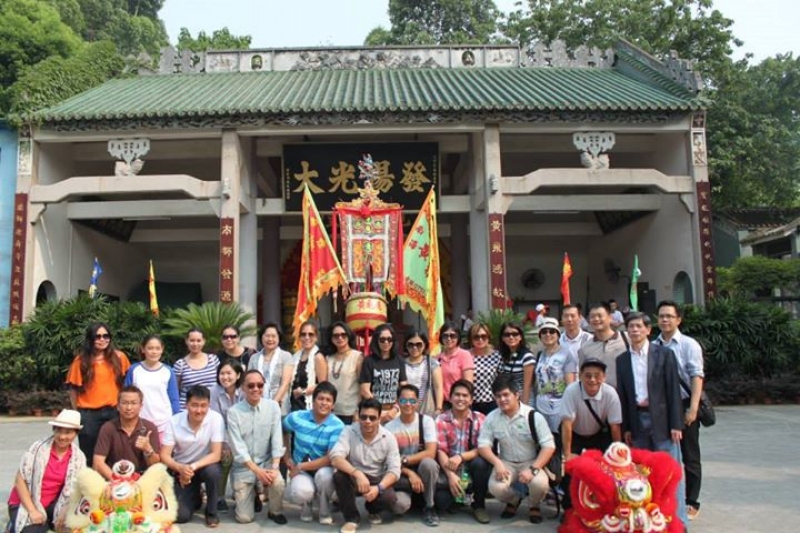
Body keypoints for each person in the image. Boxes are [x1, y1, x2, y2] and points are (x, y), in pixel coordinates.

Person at [616, 312, 688, 530]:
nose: (634, 330)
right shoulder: (622, 360)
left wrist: (677, 424)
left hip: (663, 422)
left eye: (639, 326)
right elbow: (624, 395)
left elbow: (673, 391)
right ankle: (648, 522)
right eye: (631, 327)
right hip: (637, 421)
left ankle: (679, 522)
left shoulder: (664, 354)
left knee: (671, 473)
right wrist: (626, 427)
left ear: (648, 330)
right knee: (641, 475)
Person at [478, 377, 555, 524]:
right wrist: (497, 463)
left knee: (539, 484)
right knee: (495, 487)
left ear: (516, 394)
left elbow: (549, 446)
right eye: (498, 396)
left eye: (506, 395)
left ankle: (534, 505)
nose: (502, 399)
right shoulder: (492, 418)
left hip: (532, 461)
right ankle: (514, 500)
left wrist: (533, 469)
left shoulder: (533, 416)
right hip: (506, 462)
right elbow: (483, 445)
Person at [655, 300, 706, 521]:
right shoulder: (654, 345)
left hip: (684, 405)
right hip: (662, 407)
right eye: (661, 316)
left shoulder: (688, 344)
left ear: (678, 319)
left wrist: (693, 408)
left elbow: (696, 376)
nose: (665, 320)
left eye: (669, 316)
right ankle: (668, 498)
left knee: (690, 455)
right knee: (665, 454)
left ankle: (692, 501)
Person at [6, 410, 86, 533]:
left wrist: (65, 509)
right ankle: (13, 525)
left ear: (76, 434)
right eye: (58, 431)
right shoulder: (38, 449)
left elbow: (76, 489)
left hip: (52, 503)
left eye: (68, 432)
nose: (62, 437)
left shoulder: (78, 457)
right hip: (25, 503)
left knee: (74, 525)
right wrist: (32, 511)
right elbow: (19, 481)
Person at [330, 398, 403, 533]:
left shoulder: (389, 437)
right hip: (355, 476)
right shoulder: (349, 431)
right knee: (339, 476)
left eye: (372, 418)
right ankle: (351, 518)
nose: (367, 421)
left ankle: (373, 509)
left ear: (379, 418)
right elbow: (335, 457)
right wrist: (357, 473)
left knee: (390, 498)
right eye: (363, 417)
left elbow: (395, 470)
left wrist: (378, 488)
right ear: (359, 416)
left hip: (376, 479)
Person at [559, 358, 622, 510]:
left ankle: (605, 505)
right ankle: (569, 509)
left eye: (597, 375)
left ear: (604, 377)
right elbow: (567, 424)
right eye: (588, 375)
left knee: (606, 469)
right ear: (580, 376)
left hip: (598, 433)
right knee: (570, 470)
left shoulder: (610, 393)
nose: (592, 380)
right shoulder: (571, 391)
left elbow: (615, 426)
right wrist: (567, 455)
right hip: (574, 433)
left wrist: (618, 453)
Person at [227, 370, 287, 525]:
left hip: (266, 462)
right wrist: (257, 471)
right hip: (244, 467)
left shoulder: (273, 407)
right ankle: (253, 494)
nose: (256, 389)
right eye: (251, 385)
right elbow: (238, 449)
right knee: (244, 518)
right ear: (243, 388)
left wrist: (274, 467)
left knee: (278, 481)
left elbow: (276, 439)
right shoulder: (233, 413)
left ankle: (275, 511)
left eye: (260, 385)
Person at [160, 385, 224, 527]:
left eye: (203, 406)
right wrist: (180, 468)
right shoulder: (174, 421)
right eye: (194, 405)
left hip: (204, 465)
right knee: (180, 516)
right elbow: (164, 455)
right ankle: (196, 497)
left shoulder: (216, 419)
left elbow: (216, 454)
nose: (199, 410)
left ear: (209, 405)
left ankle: (212, 511)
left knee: (213, 472)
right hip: (181, 468)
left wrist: (191, 467)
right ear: (186, 405)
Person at [65, 322, 131, 459]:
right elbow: (73, 389)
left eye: (106, 336)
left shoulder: (119, 358)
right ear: (90, 338)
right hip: (89, 415)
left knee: (115, 454)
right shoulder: (81, 361)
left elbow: (127, 384)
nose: (102, 340)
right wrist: (77, 412)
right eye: (98, 336)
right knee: (89, 455)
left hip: (114, 412)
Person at [282, 381, 345, 524]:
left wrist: (299, 467)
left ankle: (324, 509)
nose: (324, 403)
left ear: (333, 405)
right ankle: (306, 505)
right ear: (313, 400)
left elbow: (330, 458)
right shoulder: (297, 417)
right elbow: (283, 430)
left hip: (323, 468)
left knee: (325, 477)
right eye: (320, 398)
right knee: (301, 492)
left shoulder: (337, 426)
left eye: (328, 400)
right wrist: (287, 457)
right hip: (301, 470)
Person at [434, 380, 490, 524]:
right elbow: (441, 450)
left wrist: (461, 456)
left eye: (465, 396)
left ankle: (479, 505)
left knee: (481, 462)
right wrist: (451, 476)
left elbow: (482, 448)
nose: (460, 399)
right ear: (450, 397)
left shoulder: (480, 419)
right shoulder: (441, 419)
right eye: (457, 395)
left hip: (470, 467)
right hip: (449, 467)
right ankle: (458, 498)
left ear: (471, 400)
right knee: (442, 502)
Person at [385, 384, 440, 527]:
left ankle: (429, 506)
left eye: (412, 401)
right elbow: (389, 461)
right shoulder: (389, 427)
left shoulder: (426, 421)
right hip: (402, 474)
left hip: (422, 470)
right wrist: (409, 473)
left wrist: (405, 459)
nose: (408, 404)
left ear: (418, 402)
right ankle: (416, 499)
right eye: (403, 401)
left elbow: (431, 452)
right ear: (397, 402)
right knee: (399, 506)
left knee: (429, 463)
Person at [93, 385, 160, 479]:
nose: (129, 408)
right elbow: (98, 463)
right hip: (113, 478)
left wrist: (148, 450)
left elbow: (156, 466)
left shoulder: (149, 427)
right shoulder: (108, 428)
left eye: (133, 403)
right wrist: (117, 481)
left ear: (141, 406)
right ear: (118, 406)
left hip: (142, 480)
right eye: (124, 403)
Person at [124, 334, 180, 441]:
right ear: (143, 349)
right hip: (139, 422)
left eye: (157, 348)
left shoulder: (168, 371)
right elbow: (126, 396)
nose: (154, 352)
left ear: (162, 350)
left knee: (162, 456)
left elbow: (174, 400)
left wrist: (176, 421)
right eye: (150, 348)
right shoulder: (134, 370)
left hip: (164, 423)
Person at [209, 359, 244, 513]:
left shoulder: (244, 390)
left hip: (243, 434)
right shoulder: (214, 391)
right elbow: (216, 420)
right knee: (225, 458)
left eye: (229, 373)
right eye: (222, 373)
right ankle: (219, 497)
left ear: (238, 375)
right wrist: (224, 443)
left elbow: (245, 418)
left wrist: (236, 442)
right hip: (221, 433)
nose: (225, 377)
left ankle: (246, 494)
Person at [533, 317, 576, 435]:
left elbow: (571, 385)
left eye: (552, 331)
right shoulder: (540, 355)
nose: (548, 334)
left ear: (557, 335)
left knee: (559, 441)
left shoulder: (567, 354)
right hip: (541, 406)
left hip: (559, 408)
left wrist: (569, 409)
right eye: (544, 332)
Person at [359, 323, 408, 424]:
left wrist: (395, 409)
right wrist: (378, 409)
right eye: (382, 339)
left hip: (395, 410)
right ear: (376, 340)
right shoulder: (369, 361)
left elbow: (404, 388)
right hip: (374, 410)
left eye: (389, 339)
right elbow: (364, 390)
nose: (386, 342)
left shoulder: (399, 360)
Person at [578, 302, 628, 388]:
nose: (596, 319)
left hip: (624, 396)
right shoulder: (585, 348)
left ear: (610, 317)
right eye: (592, 316)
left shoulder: (626, 339)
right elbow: (582, 376)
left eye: (600, 315)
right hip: (598, 396)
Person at [247, 323, 294, 414]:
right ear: (261, 338)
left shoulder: (285, 356)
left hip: (279, 405)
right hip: (257, 404)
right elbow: (249, 382)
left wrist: (273, 404)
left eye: (273, 336)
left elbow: (285, 383)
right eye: (267, 336)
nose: (270, 339)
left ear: (278, 338)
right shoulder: (254, 358)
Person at [324, 321, 363, 424]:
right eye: (336, 335)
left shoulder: (357, 357)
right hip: (330, 411)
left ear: (349, 336)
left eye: (343, 334)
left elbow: (362, 386)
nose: (339, 338)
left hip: (350, 412)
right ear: (331, 338)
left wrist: (358, 411)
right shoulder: (328, 358)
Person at [173, 329, 220, 409]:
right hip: (188, 409)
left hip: (212, 407)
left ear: (204, 341)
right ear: (186, 341)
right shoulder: (180, 364)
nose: (195, 344)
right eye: (192, 340)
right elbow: (175, 390)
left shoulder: (213, 359)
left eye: (198, 340)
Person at [402, 328, 444, 417]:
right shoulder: (400, 363)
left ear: (425, 345)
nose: (415, 348)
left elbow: (438, 387)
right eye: (411, 345)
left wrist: (438, 408)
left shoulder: (431, 363)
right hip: (406, 407)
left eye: (419, 344)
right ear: (406, 345)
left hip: (426, 409)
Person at [288, 320, 328, 412]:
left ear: (316, 337)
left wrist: (303, 391)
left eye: (311, 334)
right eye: (303, 334)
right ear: (299, 337)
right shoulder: (295, 357)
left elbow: (323, 385)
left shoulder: (318, 357)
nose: (307, 337)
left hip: (310, 406)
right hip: (293, 405)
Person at [496, 322, 536, 405]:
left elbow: (527, 385)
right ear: (502, 338)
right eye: (507, 335)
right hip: (508, 401)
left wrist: (524, 407)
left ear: (520, 337)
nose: (511, 337)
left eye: (515, 334)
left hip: (524, 400)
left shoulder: (527, 357)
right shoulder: (503, 356)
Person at [467, 322, 501, 415]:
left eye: (483, 336)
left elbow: (501, 380)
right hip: (470, 403)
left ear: (488, 337)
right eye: (476, 337)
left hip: (492, 402)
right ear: (471, 339)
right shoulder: (465, 355)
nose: (480, 339)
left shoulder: (496, 356)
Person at [437, 322, 474, 401]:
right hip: (442, 402)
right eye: (445, 335)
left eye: (452, 336)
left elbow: (468, 383)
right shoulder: (437, 358)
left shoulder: (464, 355)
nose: (449, 338)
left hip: (460, 401)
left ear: (458, 338)